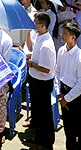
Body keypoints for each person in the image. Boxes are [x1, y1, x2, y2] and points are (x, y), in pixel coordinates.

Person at [25, 12, 56, 150]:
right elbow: (31, 47)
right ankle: (38, 135)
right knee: (38, 110)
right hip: (34, 78)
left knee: (45, 114)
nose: (34, 25)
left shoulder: (46, 45)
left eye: (36, 23)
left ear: (42, 25)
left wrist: (32, 64)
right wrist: (27, 33)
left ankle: (46, 141)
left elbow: (47, 69)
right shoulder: (39, 36)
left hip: (42, 82)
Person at [56, 22, 81, 150]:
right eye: (62, 32)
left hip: (75, 96)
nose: (62, 35)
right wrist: (59, 93)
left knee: (79, 129)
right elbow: (57, 72)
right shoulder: (61, 51)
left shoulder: (80, 57)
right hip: (63, 91)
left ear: (73, 37)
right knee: (68, 129)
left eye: (65, 33)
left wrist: (67, 99)